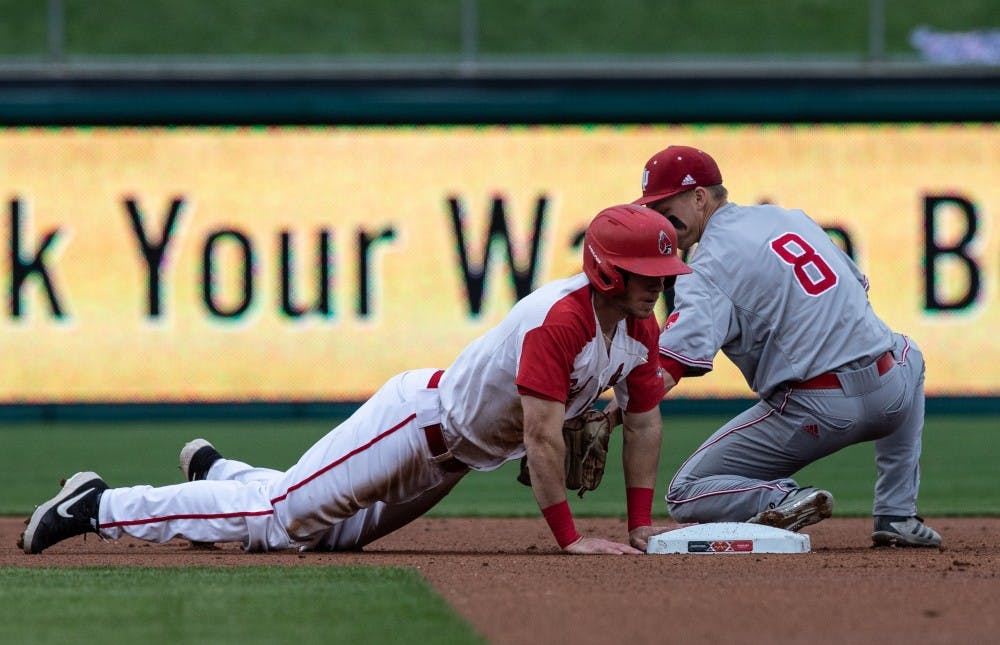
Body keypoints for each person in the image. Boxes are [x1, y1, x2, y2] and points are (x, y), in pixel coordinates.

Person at [20, 204, 691, 556]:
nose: (660, 285)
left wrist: (636, 524)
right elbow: (544, 437)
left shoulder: (636, 331)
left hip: (453, 459)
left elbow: (644, 419)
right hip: (413, 424)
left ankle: (220, 472)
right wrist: (571, 539)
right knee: (278, 522)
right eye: (648, 274)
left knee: (330, 534)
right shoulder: (559, 320)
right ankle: (101, 506)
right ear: (608, 271)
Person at [625, 145, 941, 548]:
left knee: (686, 490)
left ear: (698, 197)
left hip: (818, 413)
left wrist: (615, 412)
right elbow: (857, 287)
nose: (656, 218)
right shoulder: (787, 218)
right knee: (908, 354)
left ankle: (785, 498)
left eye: (662, 205)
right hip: (890, 392)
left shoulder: (704, 267)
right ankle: (897, 515)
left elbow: (669, 366)